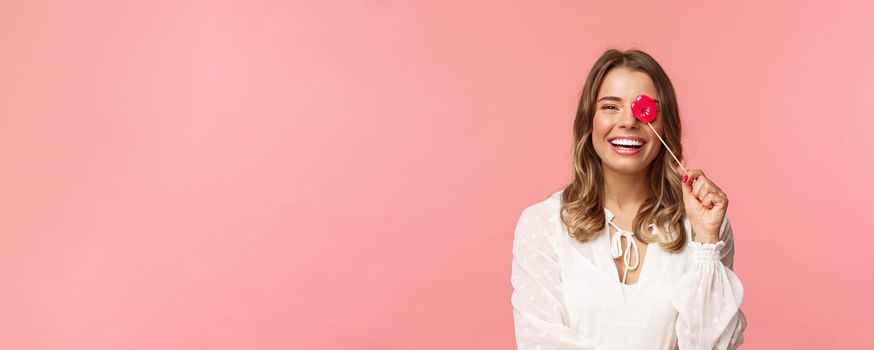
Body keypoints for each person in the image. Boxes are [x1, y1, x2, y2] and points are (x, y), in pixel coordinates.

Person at [510, 49, 747, 349]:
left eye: (644, 108)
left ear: (665, 125)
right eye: (611, 106)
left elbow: (712, 345)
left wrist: (706, 240)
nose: (629, 121)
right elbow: (540, 342)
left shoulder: (705, 227)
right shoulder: (541, 224)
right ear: (589, 121)